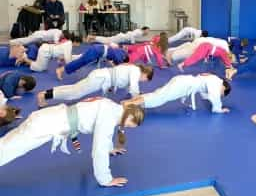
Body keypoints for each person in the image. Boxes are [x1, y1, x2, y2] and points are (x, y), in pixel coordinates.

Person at [0, 97, 145, 187]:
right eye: (133, 124)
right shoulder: (110, 116)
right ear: (130, 117)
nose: (131, 127)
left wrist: (110, 148)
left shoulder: (111, 106)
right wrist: (106, 179)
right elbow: (99, 148)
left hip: (48, 117)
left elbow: (105, 137)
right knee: (12, 149)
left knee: (7, 142)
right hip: (47, 125)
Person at [37, 64, 154, 108]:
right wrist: (138, 99)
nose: (142, 81)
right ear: (145, 74)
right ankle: (44, 95)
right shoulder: (136, 71)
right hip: (100, 79)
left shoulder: (133, 69)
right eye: (145, 79)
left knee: (74, 88)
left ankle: (45, 93)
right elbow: (134, 89)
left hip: (100, 76)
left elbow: (130, 89)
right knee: (74, 93)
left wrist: (138, 95)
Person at [123, 73, 231, 113]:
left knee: (158, 94)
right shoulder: (217, 82)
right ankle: (128, 104)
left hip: (182, 80)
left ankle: (129, 101)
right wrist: (219, 109)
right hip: (183, 85)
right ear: (224, 87)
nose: (220, 94)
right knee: (158, 98)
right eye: (222, 93)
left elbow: (203, 78)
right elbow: (215, 97)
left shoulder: (214, 77)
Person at [55, 44, 129, 80]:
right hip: (97, 51)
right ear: (124, 60)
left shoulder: (122, 52)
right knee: (80, 62)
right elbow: (116, 67)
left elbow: (112, 58)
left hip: (98, 49)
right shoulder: (120, 58)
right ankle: (61, 69)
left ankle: (64, 63)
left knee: (80, 60)